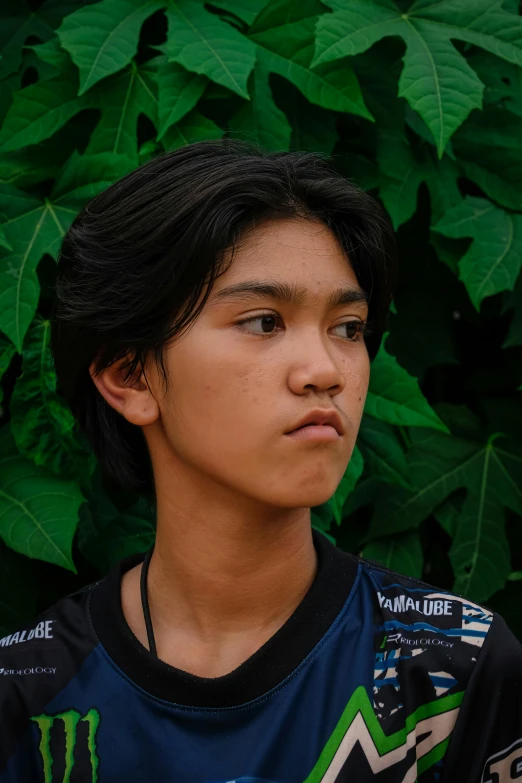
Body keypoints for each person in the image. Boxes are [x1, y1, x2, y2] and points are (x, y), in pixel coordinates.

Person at [0, 139, 520, 783]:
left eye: (348, 327)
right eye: (263, 321)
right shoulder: (26, 689)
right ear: (129, 376)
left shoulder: (450, 669)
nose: (324, 371)